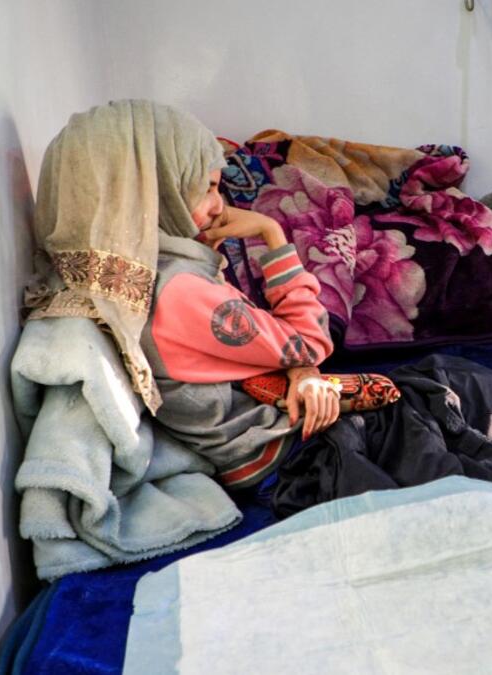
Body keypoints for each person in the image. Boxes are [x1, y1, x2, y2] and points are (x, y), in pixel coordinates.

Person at [26, 100, 340, 490]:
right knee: (432, 390)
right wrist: (271, 232)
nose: (220, 206)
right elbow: (310, 342)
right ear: (154, 188)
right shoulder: (177, 290)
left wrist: (299, 366)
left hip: (262, 450)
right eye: (207, 186)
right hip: (285, 457)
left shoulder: (122, 276)